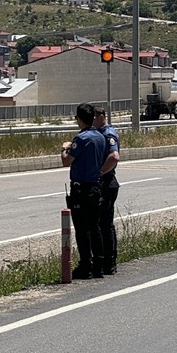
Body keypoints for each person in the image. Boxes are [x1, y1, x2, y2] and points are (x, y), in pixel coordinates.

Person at [60, 103, 106, 279]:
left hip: (82, 188)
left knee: (82, 228)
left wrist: (65, 148)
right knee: (95, 227)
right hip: (96, 185)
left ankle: (85, 265)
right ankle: (99, 265)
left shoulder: (81, 139)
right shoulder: (100, 137)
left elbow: (66, 161)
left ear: (79, 119)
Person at [94, 106, 121, 275]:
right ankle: (103, 260)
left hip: (106, 182)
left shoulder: (107, 134)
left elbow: (114, 157)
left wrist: (99, 173)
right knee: (100, 223)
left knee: (105, 224)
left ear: (101, 117)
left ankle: (109, 262)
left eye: (94, 118)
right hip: (104, 182)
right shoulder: (99, 133)